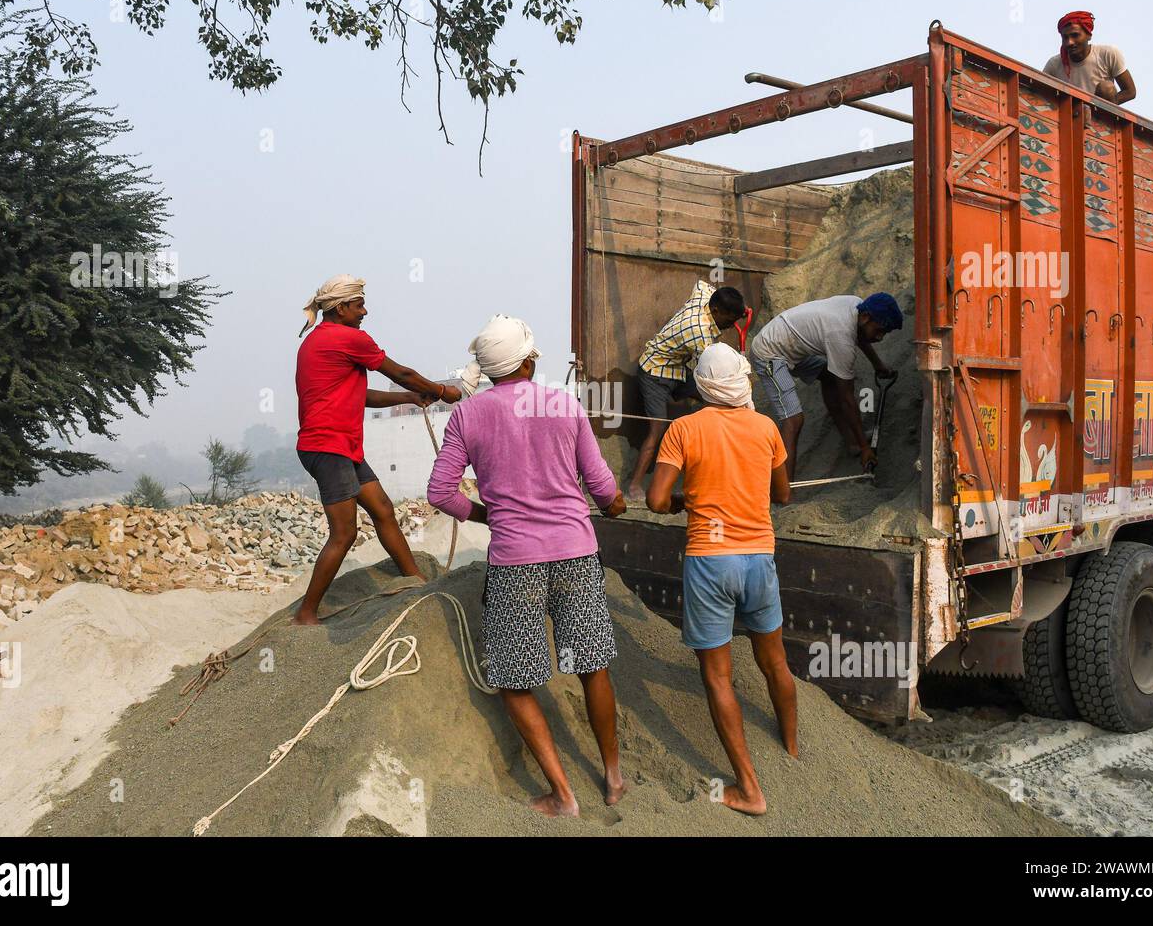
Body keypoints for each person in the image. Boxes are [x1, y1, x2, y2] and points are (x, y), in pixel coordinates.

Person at [428, 315, 629, 817]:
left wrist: (485, 513)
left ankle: (562, 794)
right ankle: (613, 776)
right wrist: (615, 504)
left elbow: (439, 493)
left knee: (515, 680)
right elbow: (603, 490)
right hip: (577, 554)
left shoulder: (468, 416)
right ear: (529, 359)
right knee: (591, 666)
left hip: (516, 559)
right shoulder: (564, 404)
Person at [646, 342, 798, 817]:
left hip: (711, 561)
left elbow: (655, 501)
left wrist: (683, 501)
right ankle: (792, 747)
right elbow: (784, 496)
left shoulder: (684, 429)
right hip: (759, 558)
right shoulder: (767, 427)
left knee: (717, 677)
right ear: (741, 382)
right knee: (775, 662)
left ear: (703, 386)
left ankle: (749, 790)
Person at [293, 275, 461, 626]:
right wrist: (443, 391)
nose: (365, 311)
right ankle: (306, 614)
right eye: (359, 305)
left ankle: (412, 578)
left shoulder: (316, 342)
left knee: (383, 509)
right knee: (345, 533)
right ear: (341, 308)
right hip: (329, 447)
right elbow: (400, 372)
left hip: (338, 447)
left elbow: (362, 396)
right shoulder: (349, 338)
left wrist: (412, 398)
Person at [749, 292, 902, 481]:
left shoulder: (856, 306)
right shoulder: (840, 337)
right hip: (770, 353)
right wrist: (866, 448)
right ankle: (785, 490)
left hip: (790, 345)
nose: (880, 337)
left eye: (884, 333)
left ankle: (852, 442)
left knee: (830, 377)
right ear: (865, 318)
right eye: (879, 331)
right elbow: (847, 399)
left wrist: (877, 364)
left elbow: (861, 336)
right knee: (793, 419)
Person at [625, 281, 747, 499]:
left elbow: (702, 284)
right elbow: (712, 370)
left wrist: (739, 311)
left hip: (678, 369)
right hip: (656, 372)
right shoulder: (699, 333)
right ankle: (634, 486)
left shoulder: (705, 298)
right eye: (730, 319)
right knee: (657, 430)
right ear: (717, 311)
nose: (731, 325)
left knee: (722, 403)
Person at [1042, 11, 1136, 105]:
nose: (1069, 42)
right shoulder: (1054, 64)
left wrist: (1097, 108)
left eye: (1075, 35)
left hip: (1099, 114)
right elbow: (1039, 92)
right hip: (1069, 115)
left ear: (1089, 35)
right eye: (1065, 37)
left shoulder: (1108, 53)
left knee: (1106, 88)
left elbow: (1130, 91)